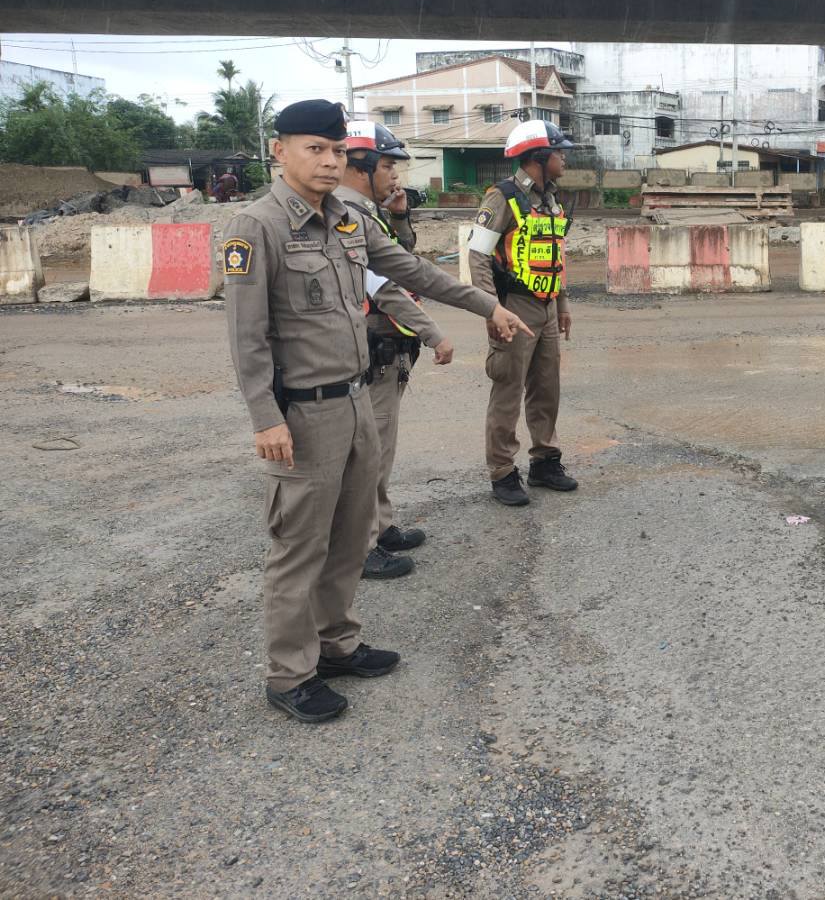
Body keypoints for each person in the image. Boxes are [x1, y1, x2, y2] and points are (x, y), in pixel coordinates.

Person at [223, 100, 533, 724]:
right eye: (315, 148)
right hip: (302, 413)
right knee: (299, 547)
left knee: (349, 537)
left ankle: (336, 644)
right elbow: (246, 336)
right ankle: (290, 674)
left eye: (338, 151)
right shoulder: (256, 226)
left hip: (357, 398)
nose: (329, 161)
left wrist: (486, 306)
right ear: (280, 151)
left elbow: (412, 272)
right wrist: (265, 417)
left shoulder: (347, 221)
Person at [339, 120, 443, 581]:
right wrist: (432, 332)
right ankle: (360, 548)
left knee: (382, 448)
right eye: (387, 166)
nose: (395, 176)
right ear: (360, 167)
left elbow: (400, 259)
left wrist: (399, 217)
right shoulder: (346, 216)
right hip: (374, 344)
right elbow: (383, 285)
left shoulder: (368, 213)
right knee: (369, 455)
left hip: (390, 345)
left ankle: (379, 527)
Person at [466, 119, 579, 507]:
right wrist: (490, 308)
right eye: (558, 151)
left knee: (547, 388)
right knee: (508, 390)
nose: (564, 158)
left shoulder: (551, 200)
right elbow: (478, 256)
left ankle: (545, 461)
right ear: (539, 156)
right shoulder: (502, 197)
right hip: (513, 305)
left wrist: (562, 304)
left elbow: (555, 255)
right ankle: (502, 471)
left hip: (546, 307)